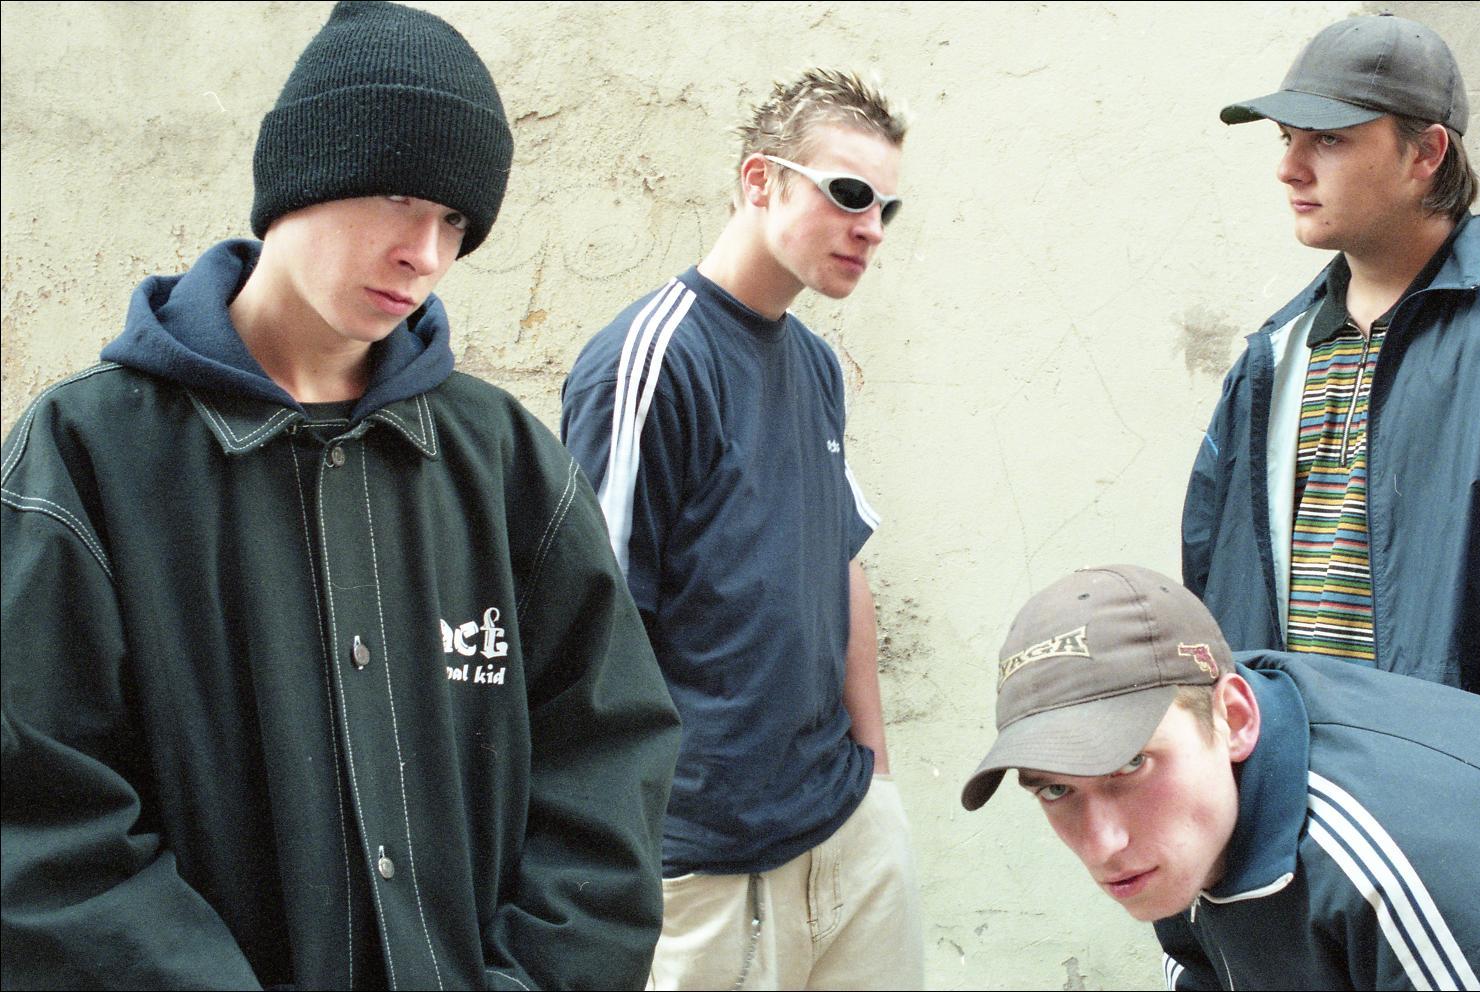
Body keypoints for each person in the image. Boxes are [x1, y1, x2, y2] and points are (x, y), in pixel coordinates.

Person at [0, 3, 681, 988]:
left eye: (455, 220)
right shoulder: (86, 453)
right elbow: (40, 818)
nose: (426, 253)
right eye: (400, 196)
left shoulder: (506, 464)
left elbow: (608, 768)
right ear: (299, 177)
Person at [1181, 13, 1480, 748]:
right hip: (1286, 782)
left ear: (1425, 152)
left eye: (1328, 139)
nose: (1290, 168)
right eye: (1286, 139)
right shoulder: (1275, 353)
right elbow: (1210, 585)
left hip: (1455, 792)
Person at [560, 69, 923, 989]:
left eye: (886, 207)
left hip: (844, 831)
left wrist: (877, 781)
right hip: (705, 868)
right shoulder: (649, 360)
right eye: (849, 193)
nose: (871, 228)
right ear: (760, 180)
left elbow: (840, 561)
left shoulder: (815, 365)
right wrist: (631, 850)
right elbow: (590, 625)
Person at [963, 564, 1480, 990]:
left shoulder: (1411, 869)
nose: (1103, 844)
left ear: (1235, 719)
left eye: (1129, 765)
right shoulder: (1183, 833)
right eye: (1055, 789)